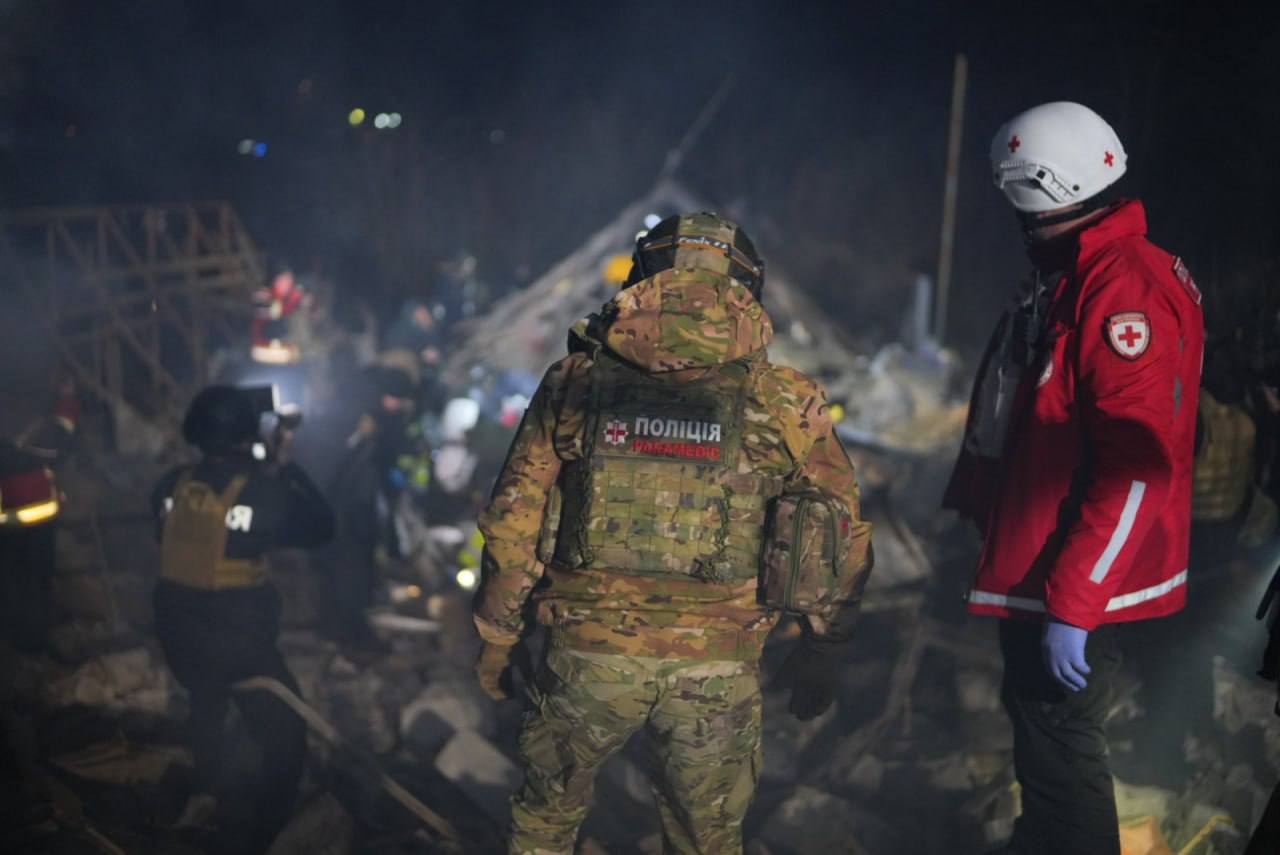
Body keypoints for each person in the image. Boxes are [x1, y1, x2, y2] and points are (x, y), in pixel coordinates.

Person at [473, 212, 873, 854]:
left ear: (642, 276)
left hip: (587, 659)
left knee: (545, 825)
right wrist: (824, 651)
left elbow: (514, 519)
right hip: (717, 671)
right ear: (749, 286)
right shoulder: (786, 398)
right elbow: (839, 534)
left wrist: (498, 638)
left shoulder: (575, 382)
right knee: (704, 841)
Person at [944, 102, 1204, 854]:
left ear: (1048, 189)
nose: (1018, 224)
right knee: (1043, 747)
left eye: (1021, 204)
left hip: (1071, 576)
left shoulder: (1121, 290)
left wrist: (1076, 604)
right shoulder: (1083, 274)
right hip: (1049, 566)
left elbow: (1138, 466)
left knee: (1062, 759)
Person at [151, 385, 334, 854]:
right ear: (247, 433)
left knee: (206, 702)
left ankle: (206, 792)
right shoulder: (262, 491)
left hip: (177, 636)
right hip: (237, 642)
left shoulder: (171, 485)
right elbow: (321, 528)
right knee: (287, 731)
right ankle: (265, 832)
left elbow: (169, 538)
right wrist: (284, 464)